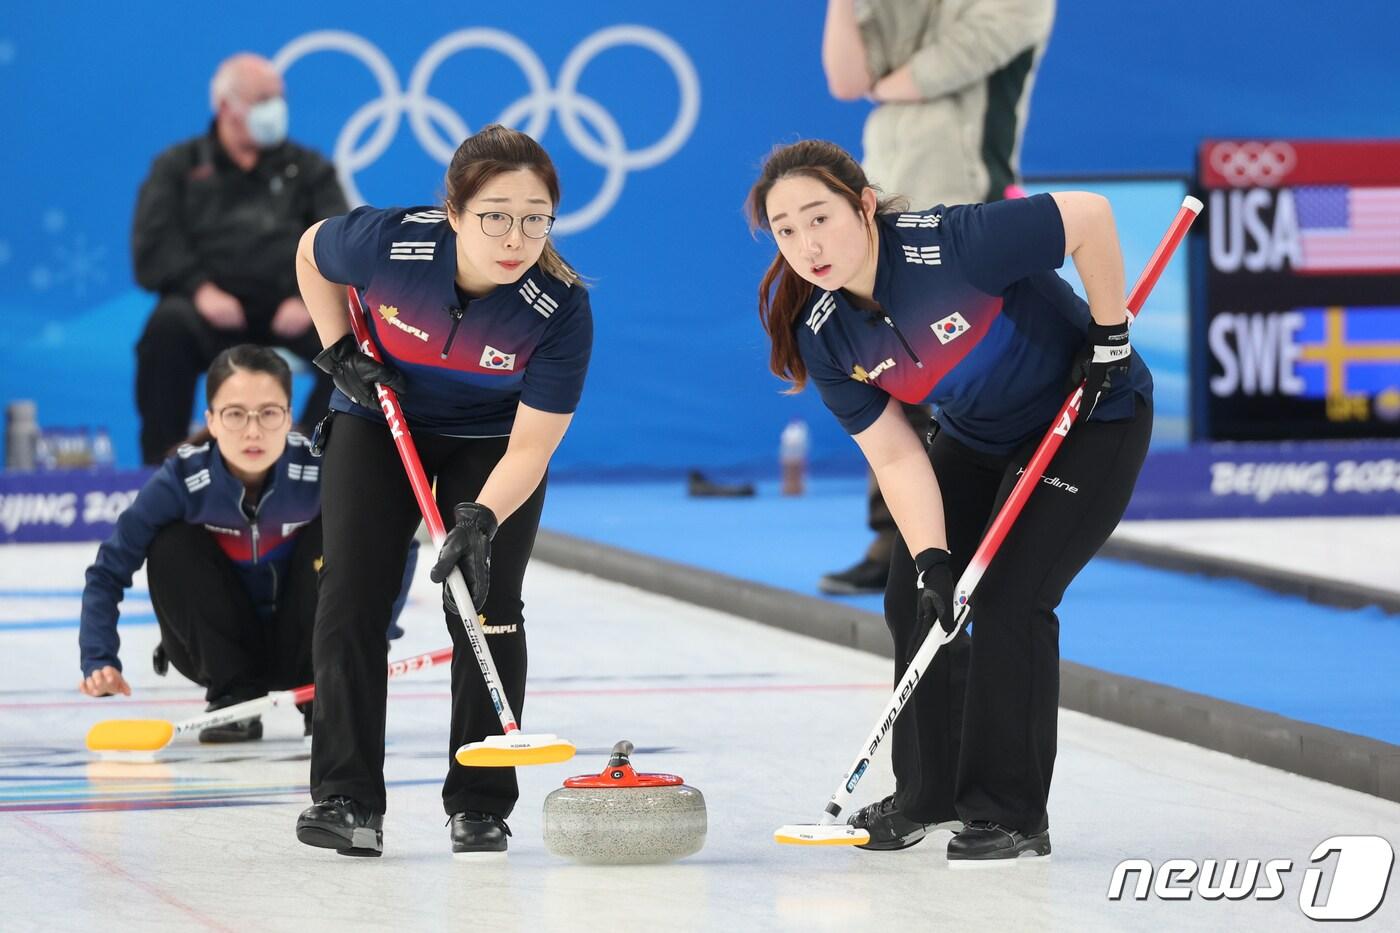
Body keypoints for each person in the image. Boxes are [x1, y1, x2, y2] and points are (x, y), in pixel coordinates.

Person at [748, 140, 1152, 864]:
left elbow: (1089, 216)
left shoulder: (956, 245)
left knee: (1010, 598)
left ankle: (1010, 812)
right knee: (913, 595)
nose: (807, 244)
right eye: (786, 229)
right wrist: (934, 558)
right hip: (977, 435)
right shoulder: (828, 333)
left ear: (864, 204)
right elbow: (897, 454)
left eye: (820, 217)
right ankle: (927, 792)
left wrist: (1110, 334)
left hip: (1089, 418)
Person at [292, 124, 593, 858]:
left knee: (489, 608)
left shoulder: (560, 309)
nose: (514, 234)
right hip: (377, 414)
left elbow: (533, 443)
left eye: (534, 216)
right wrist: (338, 355)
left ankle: (481, 803)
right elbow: (309, 251)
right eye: (494, 213)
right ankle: (346, 796)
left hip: (492, 443)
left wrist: (481, 519)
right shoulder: (391, 244)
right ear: (454, 213)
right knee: (352, 595)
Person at [818, 0, 1055, 595]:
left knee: (987, 381)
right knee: (886, 373)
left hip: (967, 207)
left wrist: (888, 83)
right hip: (885, 207)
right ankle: (896, 540)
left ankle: (1002, 535)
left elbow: (921, 78)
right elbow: (850, 80)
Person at [80, 346, 365, 741]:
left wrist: (372, 635)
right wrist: (98, 658)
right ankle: (233, 696)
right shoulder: (181, 479)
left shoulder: (321, 470)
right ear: (211, 421)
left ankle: (322, 698)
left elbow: (396, 546)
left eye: (269, 413)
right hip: (212, 654)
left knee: (339, 533)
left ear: (288, 419)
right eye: (235, 414)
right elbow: (108, 571)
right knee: (170, 543)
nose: (253, 431)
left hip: (309, 649)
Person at [131, 52, 349, 464]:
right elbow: (153, 245)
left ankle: (310, 457)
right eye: (263, 98)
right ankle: (162, 468)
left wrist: (308, 298)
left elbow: (337, 238)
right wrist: (200, 290)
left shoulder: (309, 169)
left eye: (279, 97)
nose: (276, 109)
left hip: (292, 309)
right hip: (210, 311)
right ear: (226, 107)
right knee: (164, 331)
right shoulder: (178, 167)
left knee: (352, 342)